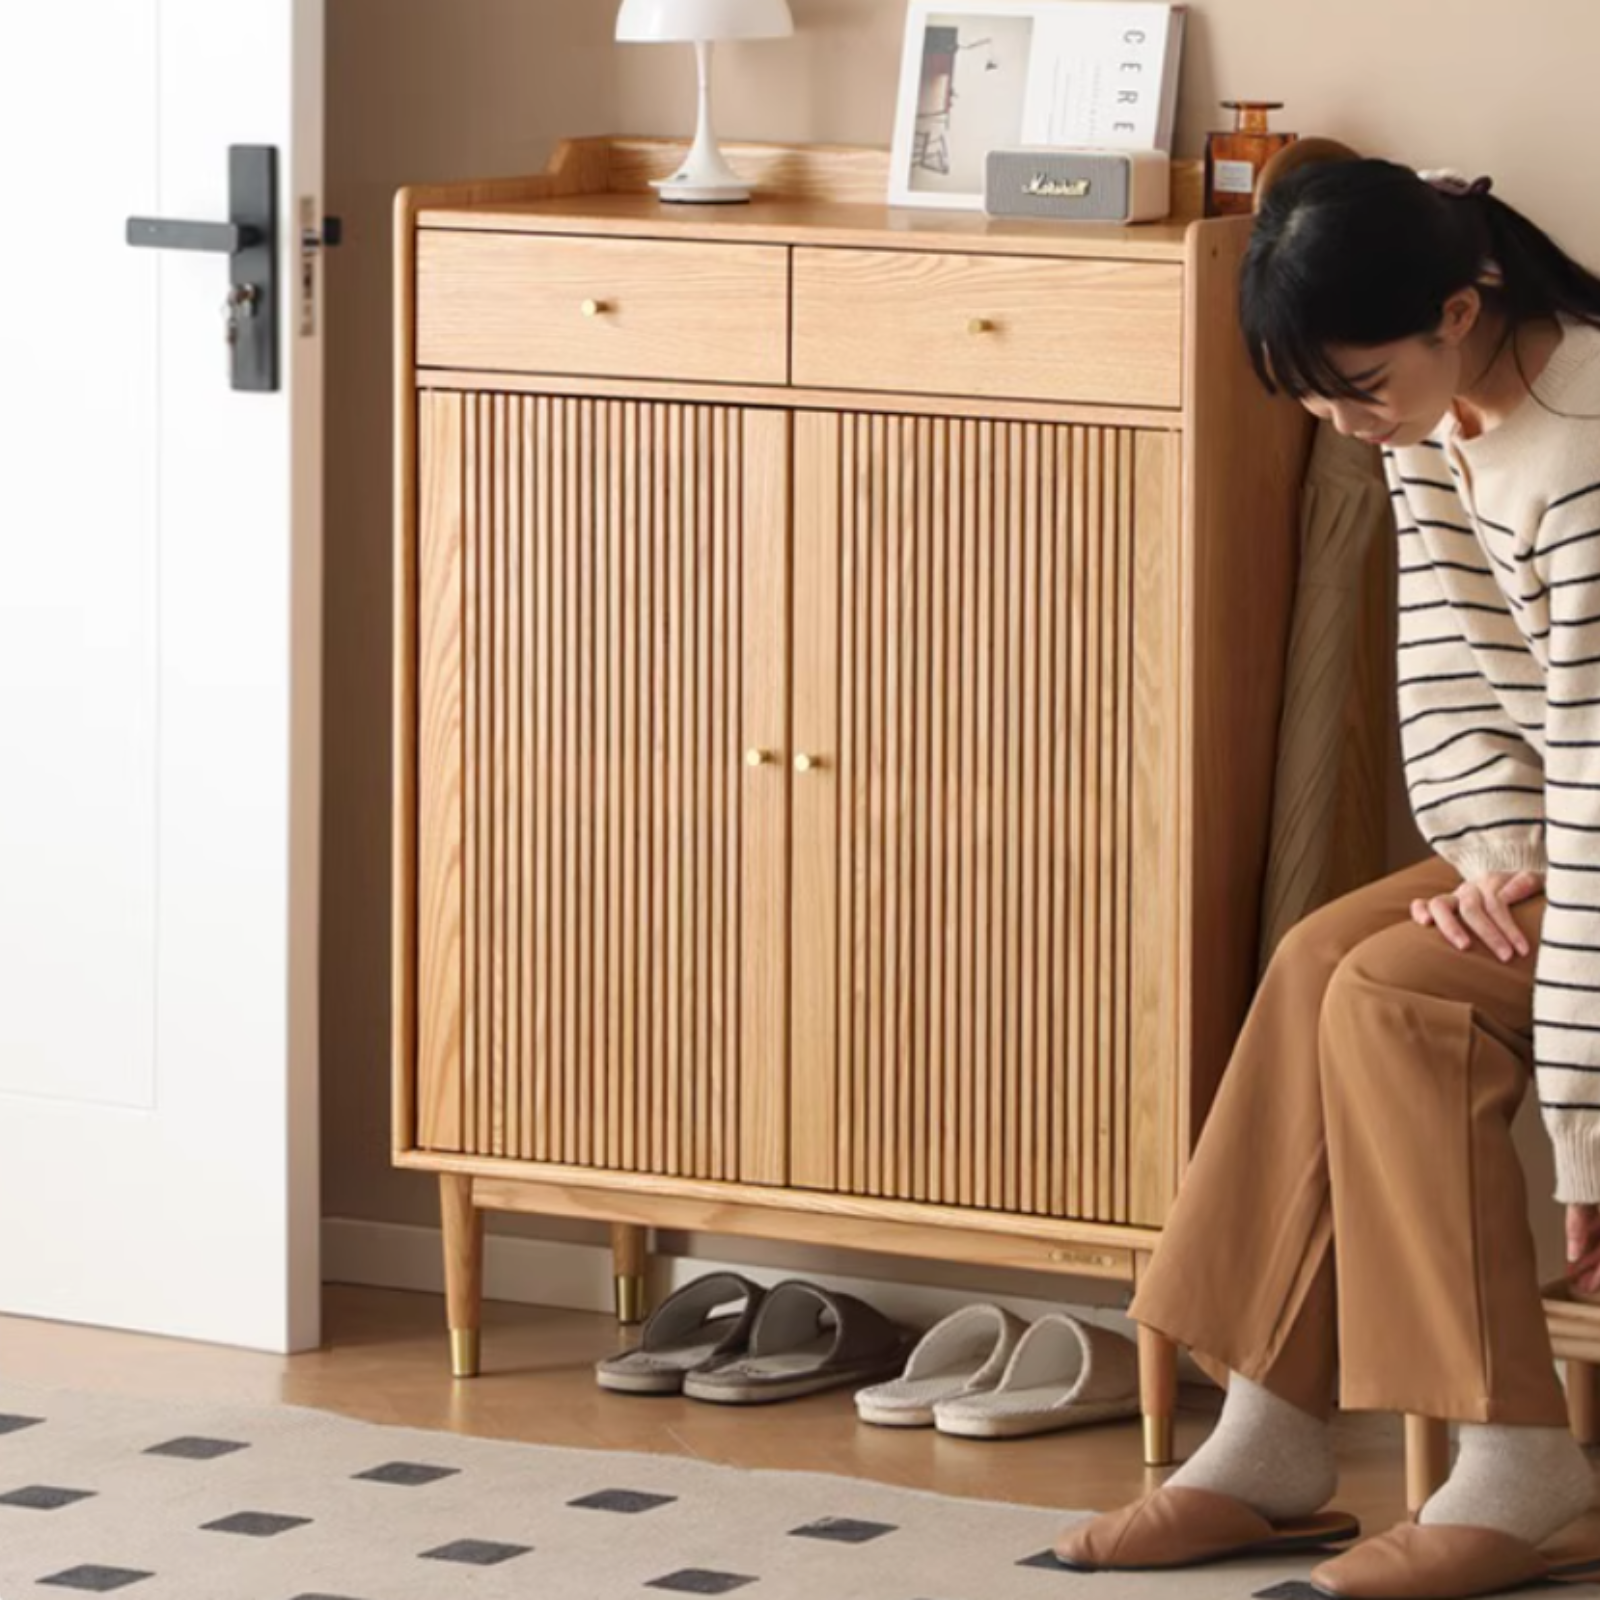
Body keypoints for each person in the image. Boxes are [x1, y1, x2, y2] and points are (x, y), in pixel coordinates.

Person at [1055, 159, 1600, 1600]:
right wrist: (1500, 865)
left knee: (1398, 1001)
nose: (1342, 421)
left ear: (1459, 308)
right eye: (1312, 398)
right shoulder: (1434, 416)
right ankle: (1268, 1437)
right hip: (1569, 845)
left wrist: (1590, 1134)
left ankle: (1520, 1461)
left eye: (1357, 385)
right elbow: (1457, 686)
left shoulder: (1586, 448)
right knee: (1316, 958)